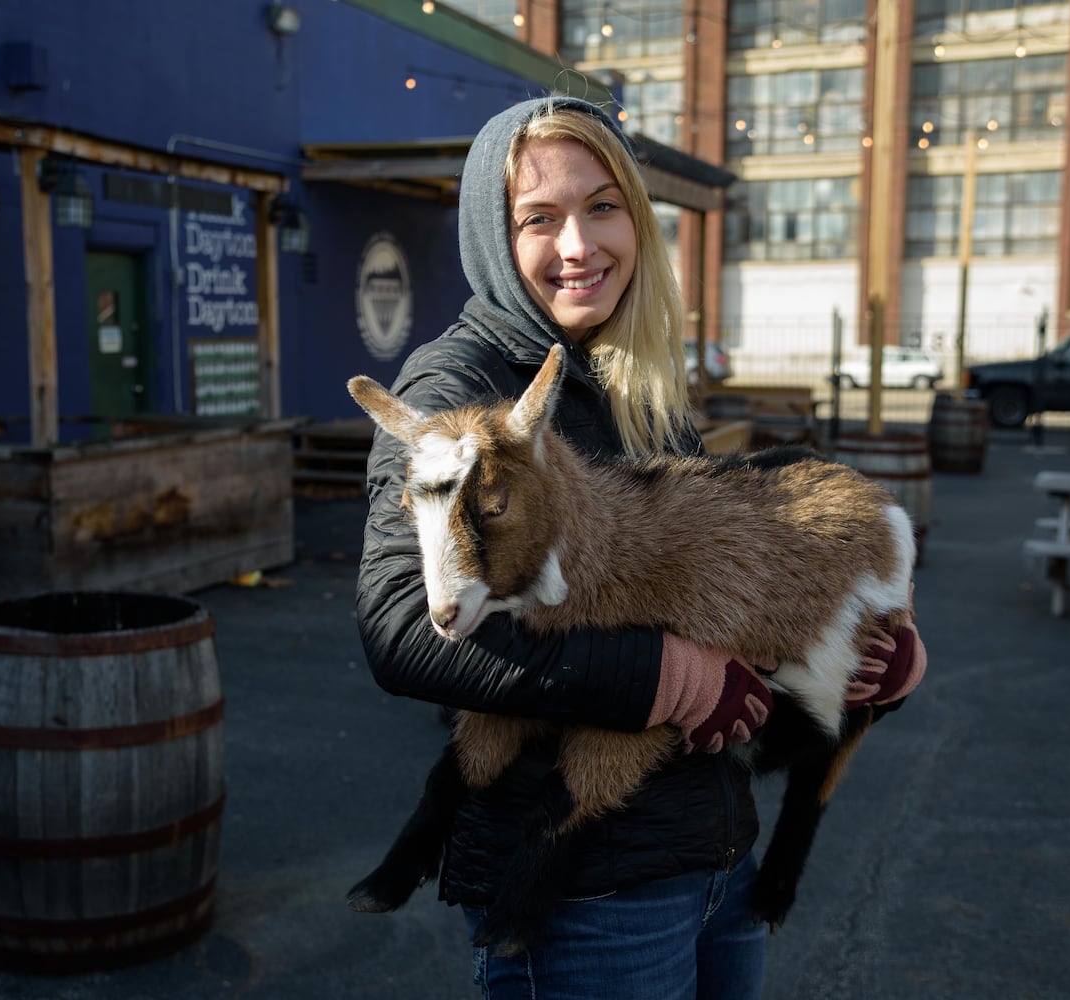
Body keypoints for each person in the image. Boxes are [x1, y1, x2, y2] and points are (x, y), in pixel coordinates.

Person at [354, 95, 925, 1000]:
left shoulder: (635, 376)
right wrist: (668, 675)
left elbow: (722, 585)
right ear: (489, 235)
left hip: (712, 864)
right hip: (585, 899)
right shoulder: (457, 385)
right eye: (539, 218)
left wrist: (859, 638)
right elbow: (400, 627)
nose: (579, 246)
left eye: (604, 206)